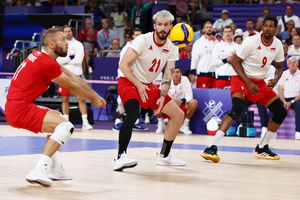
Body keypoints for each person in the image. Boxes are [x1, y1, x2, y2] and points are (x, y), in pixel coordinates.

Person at [5, 28, 106, 187]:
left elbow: (73, 77)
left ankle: (56, 169)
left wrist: (95, 95)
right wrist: (93, 98)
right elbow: (71, 85)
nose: (67, 44)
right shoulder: (45, 62)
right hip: (19, 109)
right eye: (63, 40)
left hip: (17, 106)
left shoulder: (43, 58)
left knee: (56, 116)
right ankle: (39, 169)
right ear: (52, 44)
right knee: (65, 126)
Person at [201, 16, 287, 162]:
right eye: (265, 25)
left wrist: (276, 79)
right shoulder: (251, 41)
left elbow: (280, 67)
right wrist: (247, 82)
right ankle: (212, 147)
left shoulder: (277, 44)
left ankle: (262, 147)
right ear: (262, 27)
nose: (267, 28)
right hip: (241, 77)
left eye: (271, 26)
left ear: (276, 29)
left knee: (280, 111)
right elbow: (235, 61)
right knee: (237, 109)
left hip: (259, 82)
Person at [114, 10, 185, 171]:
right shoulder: (143, 40)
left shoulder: (172, 47)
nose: (162, 28)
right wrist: (138, 84)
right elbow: (123, 65)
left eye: (166, 25)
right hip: (128, 80)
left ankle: (164, 156)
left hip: (148, 84)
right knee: (132, 112)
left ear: (171, 27)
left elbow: (168, 74)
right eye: (159, 24)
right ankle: (120, 156)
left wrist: (162, 96)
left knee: (178, 114)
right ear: (154, 26)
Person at [57, 25, 93, 130]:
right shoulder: (60, 45)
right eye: (65, 31)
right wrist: (69, 58)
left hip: (77, 76)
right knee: (64, 99)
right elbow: (57, 61)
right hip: (64, 76)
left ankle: (85, 123)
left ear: (72, 32)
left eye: (69, 31)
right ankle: (66, 123)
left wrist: (65, 60)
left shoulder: (78, 44)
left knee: (81, 99)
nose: (67, 33)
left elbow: (78, 60)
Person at [156, 66, 198, 134]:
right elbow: (160, 95)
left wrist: (182, 100)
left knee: (194, 102)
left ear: (181, 73)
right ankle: (161, 124)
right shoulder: (166, 80)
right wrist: (170, 101)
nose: (175, 74)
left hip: (181, 105)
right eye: (173, 72)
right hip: (168, 105)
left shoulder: (185, 79)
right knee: (156, 102)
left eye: (177, 72)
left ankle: (185, 126)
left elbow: (189, 95)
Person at [191, 21, 218, 88]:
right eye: (207, 27)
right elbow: (194, 59)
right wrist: (193, 73)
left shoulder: (217, 42)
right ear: (203, 30)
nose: (209, 29)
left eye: (210, 27)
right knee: (203, 97)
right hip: (203, 74)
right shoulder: (198, 43)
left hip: (215, 74)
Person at [278, 57, 300, 140]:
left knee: (299, 106)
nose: (292, 64)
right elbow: (280, 90)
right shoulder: (284, 74)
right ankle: (272, 131)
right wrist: (284, 101)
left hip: (296, 99)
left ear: (297, 64)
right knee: (274, 105)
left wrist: (292, 101)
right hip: (285, 99)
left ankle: (298, 132)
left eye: (294, 62)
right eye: (290, 63)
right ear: (287, 65)